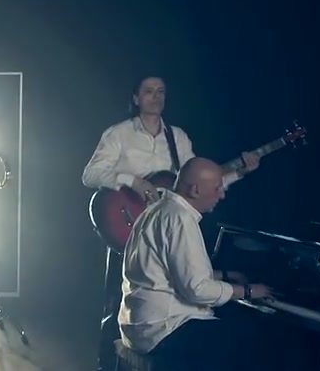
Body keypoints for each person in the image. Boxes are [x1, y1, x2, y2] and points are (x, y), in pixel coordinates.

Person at [81, 76, 260, 370]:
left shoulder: (177, 138)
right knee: (118, 300)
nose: (156, 96)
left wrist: (239, 172)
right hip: (131, 222)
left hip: (163, 217)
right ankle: (108, 363)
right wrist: (132, 181)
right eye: (148, 91)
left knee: (153, 287)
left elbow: (199, 180)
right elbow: (90, 175)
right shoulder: (119, 134)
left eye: (161, 91)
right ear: (136, 98)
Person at [117, 157, 275, 370]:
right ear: (195, 190)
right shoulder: (180, 219)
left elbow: (173, 271)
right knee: (261, 343)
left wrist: (227, 275)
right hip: (164, 329)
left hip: (140, 326)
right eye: (217, 188)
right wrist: (249, 291)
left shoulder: (158, 209)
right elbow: (197, 289)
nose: (222, 194)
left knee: (245, 334)